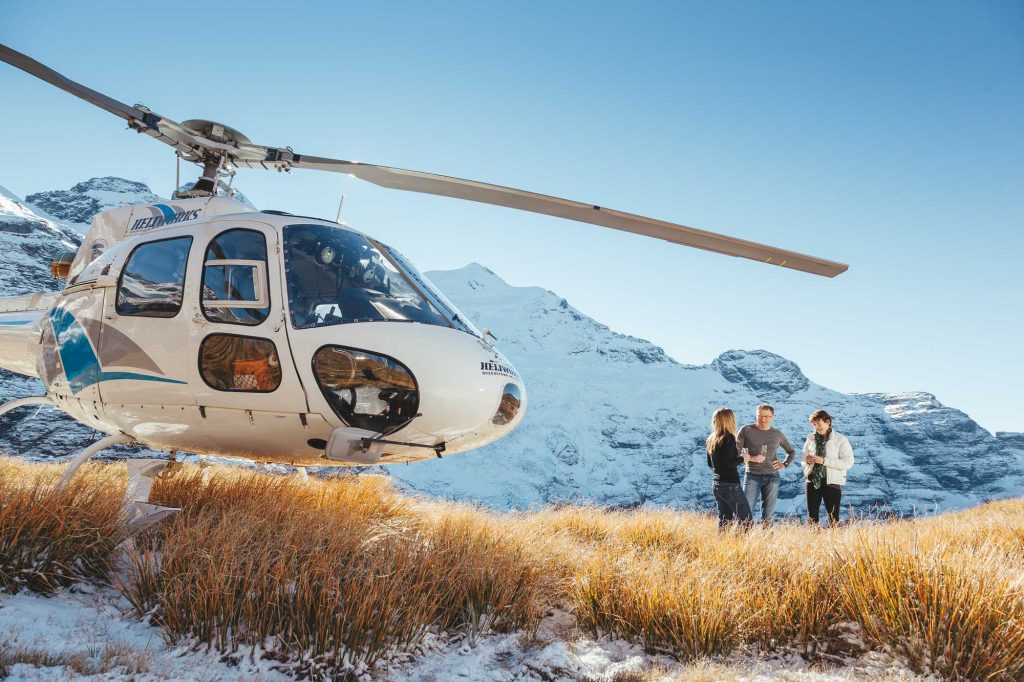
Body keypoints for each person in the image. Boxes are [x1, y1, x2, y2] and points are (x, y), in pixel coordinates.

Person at [737, 404, 795, 524]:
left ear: (773, 417)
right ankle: (740, 540)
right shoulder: (746, 430)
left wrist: (785, 464)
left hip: (772, 476)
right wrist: (752, 458)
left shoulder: (777, 434)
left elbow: (791, 451)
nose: (764, 419)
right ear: (756, 415)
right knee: (745, 511)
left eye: (767, 416)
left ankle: (766, 540)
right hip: (752, 475)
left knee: (768, 515)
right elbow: (737, 451)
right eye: (761, 416)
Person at [707, 408, 762, 528]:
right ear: (729, 420)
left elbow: (711, 464)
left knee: (724, 521)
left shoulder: (711, 439)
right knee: (747, 521)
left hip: (717, 485)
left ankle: (722, 545)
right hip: (730, 485)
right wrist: (743, 458)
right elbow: (728, 463)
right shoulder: (729, 438)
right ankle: (742, 545)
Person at [802, 409, 855, 526]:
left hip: (832, 482)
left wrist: (824, 461)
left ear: (828, 422)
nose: (816, 427)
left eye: (819, 424)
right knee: (811, 516)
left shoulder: (840, 439)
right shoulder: (811, 439)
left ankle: (833, 541)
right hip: (812, 480)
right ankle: (813, 542)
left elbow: (848, 462)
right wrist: (808, 461)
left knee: (833, 517)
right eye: (814, 425)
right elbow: (803, 459)